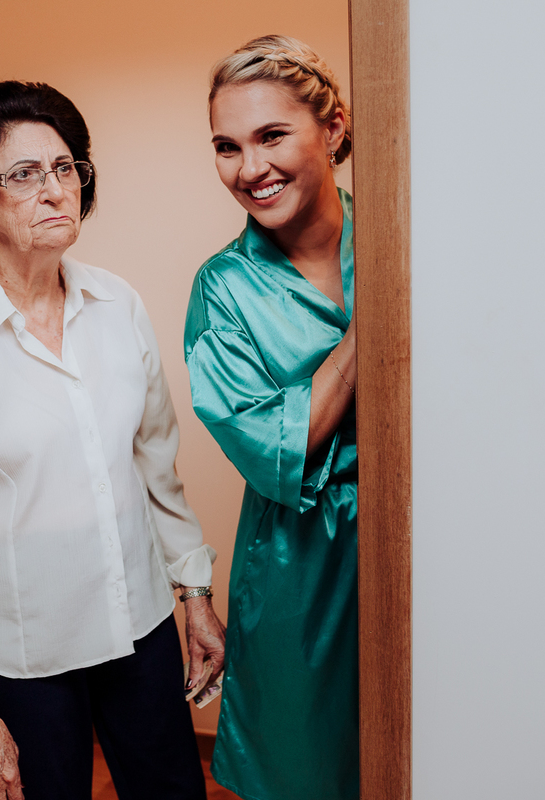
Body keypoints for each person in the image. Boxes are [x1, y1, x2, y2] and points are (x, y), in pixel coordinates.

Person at [0, 81, 225, 800]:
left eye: (66, 169)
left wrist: (193, 592)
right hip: (24, 660)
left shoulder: (117, 304)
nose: (55, 190)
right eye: (25, 175)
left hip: (140, 626)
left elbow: (155, 464)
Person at [183, 35, 359, 800]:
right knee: (307, 772)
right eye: (227, 146)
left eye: (271, 135)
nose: (249, 168)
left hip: (432, 548)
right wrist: (372, 318)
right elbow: (268, 447)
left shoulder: (412, 226)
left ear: (335, 128)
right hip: (301, 572)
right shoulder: (222, 289)